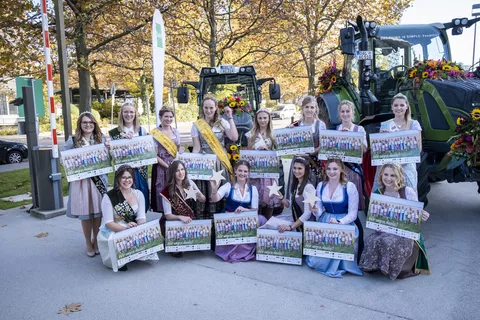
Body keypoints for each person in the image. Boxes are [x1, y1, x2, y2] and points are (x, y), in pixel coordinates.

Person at [360, 163, 430, 280]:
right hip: (386, 229)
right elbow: (375, 219)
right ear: (381, 175)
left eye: (392, 175)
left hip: (404, 232)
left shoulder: (407, 191)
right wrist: (378, 227)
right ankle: (376, 266)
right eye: (386, 174)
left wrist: (421, 216)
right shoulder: (378, 192)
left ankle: (397, 269)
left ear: (399, 176)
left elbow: (415, 217)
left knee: (389, 241)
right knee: (371, 240)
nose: (388, 178)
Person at [306, 158, 363, 278]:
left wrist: (339, 222)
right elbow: (320, 209)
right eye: (329, 169)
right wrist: (315, 209)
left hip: (344, 221)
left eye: (335, 169)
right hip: (326, 219)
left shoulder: (350, 187)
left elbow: (353, 214)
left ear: (341, 169)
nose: (332, 172)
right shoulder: (321, 185)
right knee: (316, 261)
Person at [62, 111, 108, 257]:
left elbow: (109, 158)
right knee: (86, 213)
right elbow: (62, 157)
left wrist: (109, 150)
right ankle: (88, 242)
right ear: (80, 125)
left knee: (98, 213)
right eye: (85, 122)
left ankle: (96, 239)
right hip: (81, 183)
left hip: (98, 181)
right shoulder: (73, 140)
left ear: (94, 124)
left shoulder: (101, 139)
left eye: (90, 122)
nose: (88, 125)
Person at [191, 94, 238, 219]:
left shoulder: (222, 122)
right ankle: (208, 220)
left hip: (220, 161)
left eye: (211, 108)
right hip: (205, 163)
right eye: (206, 108)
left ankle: (222, 218)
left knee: (220, 189)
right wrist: (192, 166)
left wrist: (230, 117)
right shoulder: (197, 125)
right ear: (203, 108)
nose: (208, 111)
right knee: (206, 189)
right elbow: (196, 148)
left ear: (216, 108)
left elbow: (234, 137)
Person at [209, 160, 266, 262]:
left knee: (261, 219)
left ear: (248, 173)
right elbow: (215, 198)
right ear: (235, 171)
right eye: (240, 170)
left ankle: (252, 248)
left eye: (245, 171)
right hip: (230, 216)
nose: (242, 174)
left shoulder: (253, 189)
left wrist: (245, 209)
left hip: (245, 217)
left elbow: (255, 210)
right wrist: (213, 190)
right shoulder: (228, 186)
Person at [97, 165, 148, 271]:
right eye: (123, 177)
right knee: (118, 261)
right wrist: (125, 229)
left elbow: (141, 218)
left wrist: (140, 232)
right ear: (118, 179)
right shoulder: (109, 197)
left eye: (129, 177)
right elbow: (109, 223)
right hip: (114, 230)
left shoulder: (138, 194)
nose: (127, 180)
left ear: (133, 179)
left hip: (132, 226)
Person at [372, 93, 422, 191]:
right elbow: (380, 151)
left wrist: (400, 164)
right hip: (388, 168)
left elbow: (418, 148)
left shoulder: (414, 124)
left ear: (407, 106)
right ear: (392, 107)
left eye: (402, 105)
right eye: (396, 105)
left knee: (407, 195)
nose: (398, 108)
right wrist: (381, 138)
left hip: (406, 167)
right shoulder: (385, 125)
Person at [159, 160, 206, 257]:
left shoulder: (190, 183)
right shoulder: (167, 190)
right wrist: (180, 217)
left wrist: (200, 195)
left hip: (189, 218)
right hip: (174, 220)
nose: (181, 173)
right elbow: (168, 215)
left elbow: (203, 200)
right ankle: (171, 240)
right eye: (177, 171)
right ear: (173, 173)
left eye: (182, 169)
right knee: (177, 253)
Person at [109, 102, 149, 209]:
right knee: (124, 203)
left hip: (138, 171)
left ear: (135, 114)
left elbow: (147, 152)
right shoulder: (115, 133)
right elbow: (113, 156)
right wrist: (120, 142)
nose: (129, 114)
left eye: (131, 112)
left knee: (139, 201)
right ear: (121, 114)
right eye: (125, 111)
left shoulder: (141, 130)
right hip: (123, 172)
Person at [286, 96, 327, 198]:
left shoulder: (320, 125)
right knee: (298, 190)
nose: (309, 110)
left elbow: (323, 146)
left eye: (312, 107)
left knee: (312, 190)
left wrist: (311, 153)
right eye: (307, 107)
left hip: (313, 162)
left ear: (316, 109)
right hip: (298, 161)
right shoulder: (295, 125)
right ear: (302, 109)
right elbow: (288, 145)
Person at [245, 108, 281, 220]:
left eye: (265, 118)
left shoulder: (273, 135)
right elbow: (248, 152)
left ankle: (268, 222)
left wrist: (268, 150)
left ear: (269, 119)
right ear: (256, 119)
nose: (262, 120)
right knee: (257, 197)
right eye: (260, 118)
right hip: (256, 171)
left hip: (269, 171)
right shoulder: (251, 134)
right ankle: (257, 221)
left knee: (269, 197)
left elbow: (279, 152)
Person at [336, 100, 368, 210]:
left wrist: (351, 136)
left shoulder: (359, 129)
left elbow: (364, 150)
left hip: (354, 170)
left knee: (353, 205)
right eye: (342, 111)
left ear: (352, 112)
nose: (345, 114)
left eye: (347, 111)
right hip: (339, 171)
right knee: (340, 202)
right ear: (339, 114)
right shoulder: (335, 130)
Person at [151, 108, 181, 213]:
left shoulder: (175, 131)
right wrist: (168, 167)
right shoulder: (155, 133)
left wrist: (180, 150)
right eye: (166, 116)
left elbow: (178, 148)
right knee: (162, 190)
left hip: (174, 165)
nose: (168, 119)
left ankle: (176, 212)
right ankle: (163, 215)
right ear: (160, 118)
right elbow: (153, 154)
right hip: (161, 166)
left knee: (176, 189)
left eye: (170, 117)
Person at [276, 157, 316, 232]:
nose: (296, 171)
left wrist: (291, 227)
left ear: (306, 170)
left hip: (306, 227)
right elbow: (290, 205)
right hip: (296, 221)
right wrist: (281, 198)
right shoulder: (296, 184)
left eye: (300, 168)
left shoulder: (309, 187)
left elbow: (308, 213)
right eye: (294, 168)